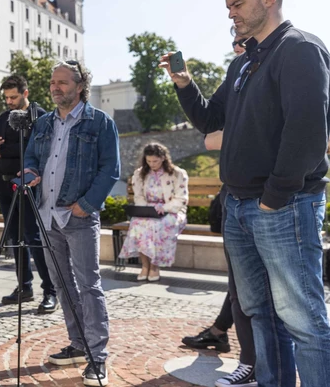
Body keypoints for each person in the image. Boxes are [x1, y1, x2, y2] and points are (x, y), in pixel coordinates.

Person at [163, 0, 330, 387]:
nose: (231, 14)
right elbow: (210, 119)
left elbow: (308, 134)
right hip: (240, 207)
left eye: (237, 4)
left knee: (305, 321)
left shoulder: (300, 49)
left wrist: (274, 197)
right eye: (228, 7)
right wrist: (185, 84)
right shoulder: (244, 61)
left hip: (282, 207)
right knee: (261, 314)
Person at [22, 60, 120, 386]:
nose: (55, 87)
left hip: (78, 218)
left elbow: (110, 170)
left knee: (89, 288)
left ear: (79, 87)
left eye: (62, 82)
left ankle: (98, 357)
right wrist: (31, 173)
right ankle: (78, 344)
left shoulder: (100, 123)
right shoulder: (44, 123)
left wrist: (86, 205)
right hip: (47, 216)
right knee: (63, 285)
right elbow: (32, 158)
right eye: (53, 82)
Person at [181, 29, 258, 387]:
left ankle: (272, 363)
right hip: (235, 196)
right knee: (240, 288)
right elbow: (209, 125)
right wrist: (185, 83)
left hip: (275, 198)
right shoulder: (237, 71)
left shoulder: (291, 58)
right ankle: (249, 360)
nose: (238, 47)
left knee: (288, 299)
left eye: (243, 40)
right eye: (235, 42)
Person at [0, 74, 58, 313]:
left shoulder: (40, 117)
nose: (9, 102)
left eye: (13, 97)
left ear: (25, 93)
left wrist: (5, 150)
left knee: (33, 237)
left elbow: (38, 152)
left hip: (29, 185)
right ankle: (24, 287)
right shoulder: (4, 117)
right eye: (6, 97)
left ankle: (51, 291)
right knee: (14, 238)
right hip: (5, 184)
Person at [119, 142, 188, 282]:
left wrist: (164, 208)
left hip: (171, 211)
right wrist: (146, 209)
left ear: (163, 158)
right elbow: (139, 197)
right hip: (148, 211)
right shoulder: (140, 174)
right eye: (148, 161)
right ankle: (145, 266)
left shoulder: (177, 173)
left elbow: (181, 198)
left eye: (155, 161)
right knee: (138, 224)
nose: (152, 164)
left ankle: (155, 266)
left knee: (159, 226)